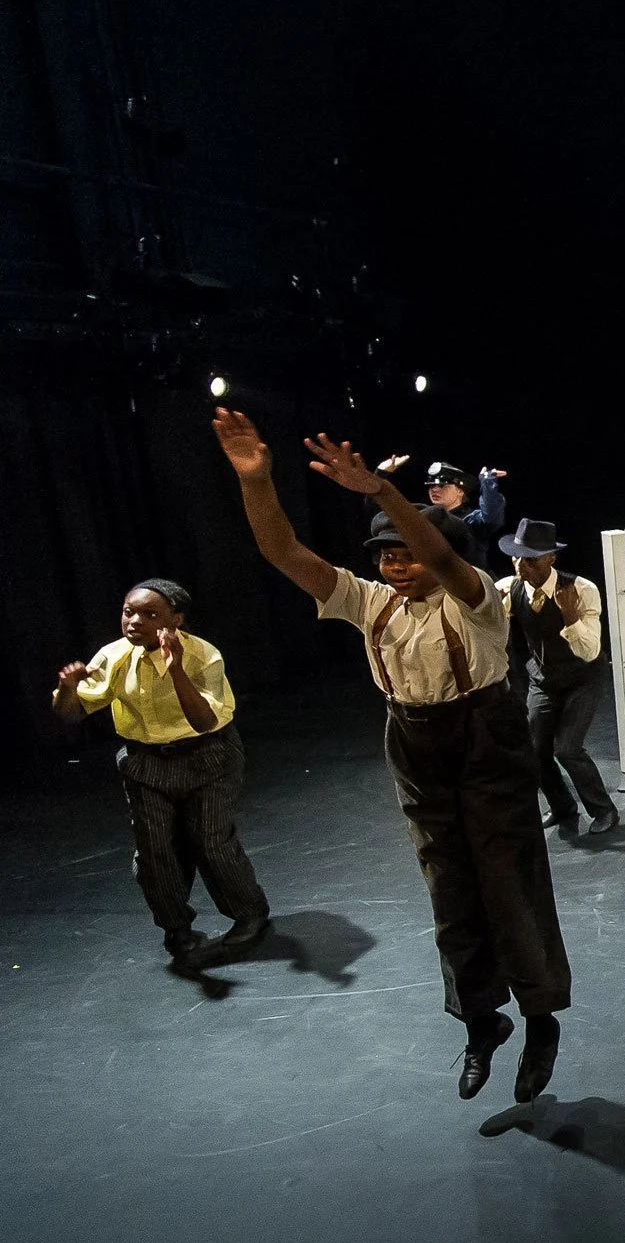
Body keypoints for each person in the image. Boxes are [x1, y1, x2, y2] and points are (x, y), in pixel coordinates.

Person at [214, 410, 570, 1103]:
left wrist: (381, 492)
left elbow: (442, 560)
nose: (396, 566)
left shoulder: (478, 600)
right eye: (384, 556)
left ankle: (539, 1019)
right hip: (413, 739)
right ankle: (479, 1021)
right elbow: (285, 553)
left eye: (403, 554)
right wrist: (257, 483)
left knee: (509, 879)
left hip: (485, 737)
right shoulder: (369, 601)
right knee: (449, 889)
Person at [52, 580, 271, 970]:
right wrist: (67, 688)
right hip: (145, 762)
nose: (134, 621)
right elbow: (71, 714)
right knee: (154, 851)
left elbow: (204, 721)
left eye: (149, 615)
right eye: (128, 611)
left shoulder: (203, 656)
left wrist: (176, 670)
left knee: (210, 840)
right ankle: (176, 927)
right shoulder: (114, 656)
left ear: (176, 620)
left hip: (207, 757)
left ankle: (249, 913)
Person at [498, 519, 619, 837]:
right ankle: (563, 805)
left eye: (530, 559)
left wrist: (569, 617)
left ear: (551, 558)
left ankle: (604, 810)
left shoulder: (581, 589)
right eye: (517, 557)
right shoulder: (509, 589)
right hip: (544, 678)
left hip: (582, 677)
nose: (521, 565)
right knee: (535, 748)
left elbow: (591, 651)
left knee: (567, 747)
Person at [376, 454, 509, 571]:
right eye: (431, 486)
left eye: (442, 486)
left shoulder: (472, 520)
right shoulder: (424, 518)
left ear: (460, 491)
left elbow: (492, 517)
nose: (434, 490)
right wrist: (380, 475)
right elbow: (382, 515)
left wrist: (488, 485)